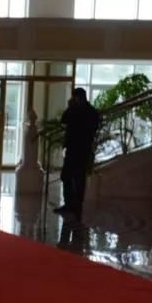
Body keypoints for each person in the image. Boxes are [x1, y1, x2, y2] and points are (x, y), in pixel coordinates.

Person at [54, 88, 101, 218]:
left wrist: (70, 107)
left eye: (74, 98)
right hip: (78, 149)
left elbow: (64, 120)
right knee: (70, 177)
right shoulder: (91, 111)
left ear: (78, 98)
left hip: (79, 149)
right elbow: (64, 120)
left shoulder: (84, 111)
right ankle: (72, 205)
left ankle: (74, 205)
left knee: (76, 178)